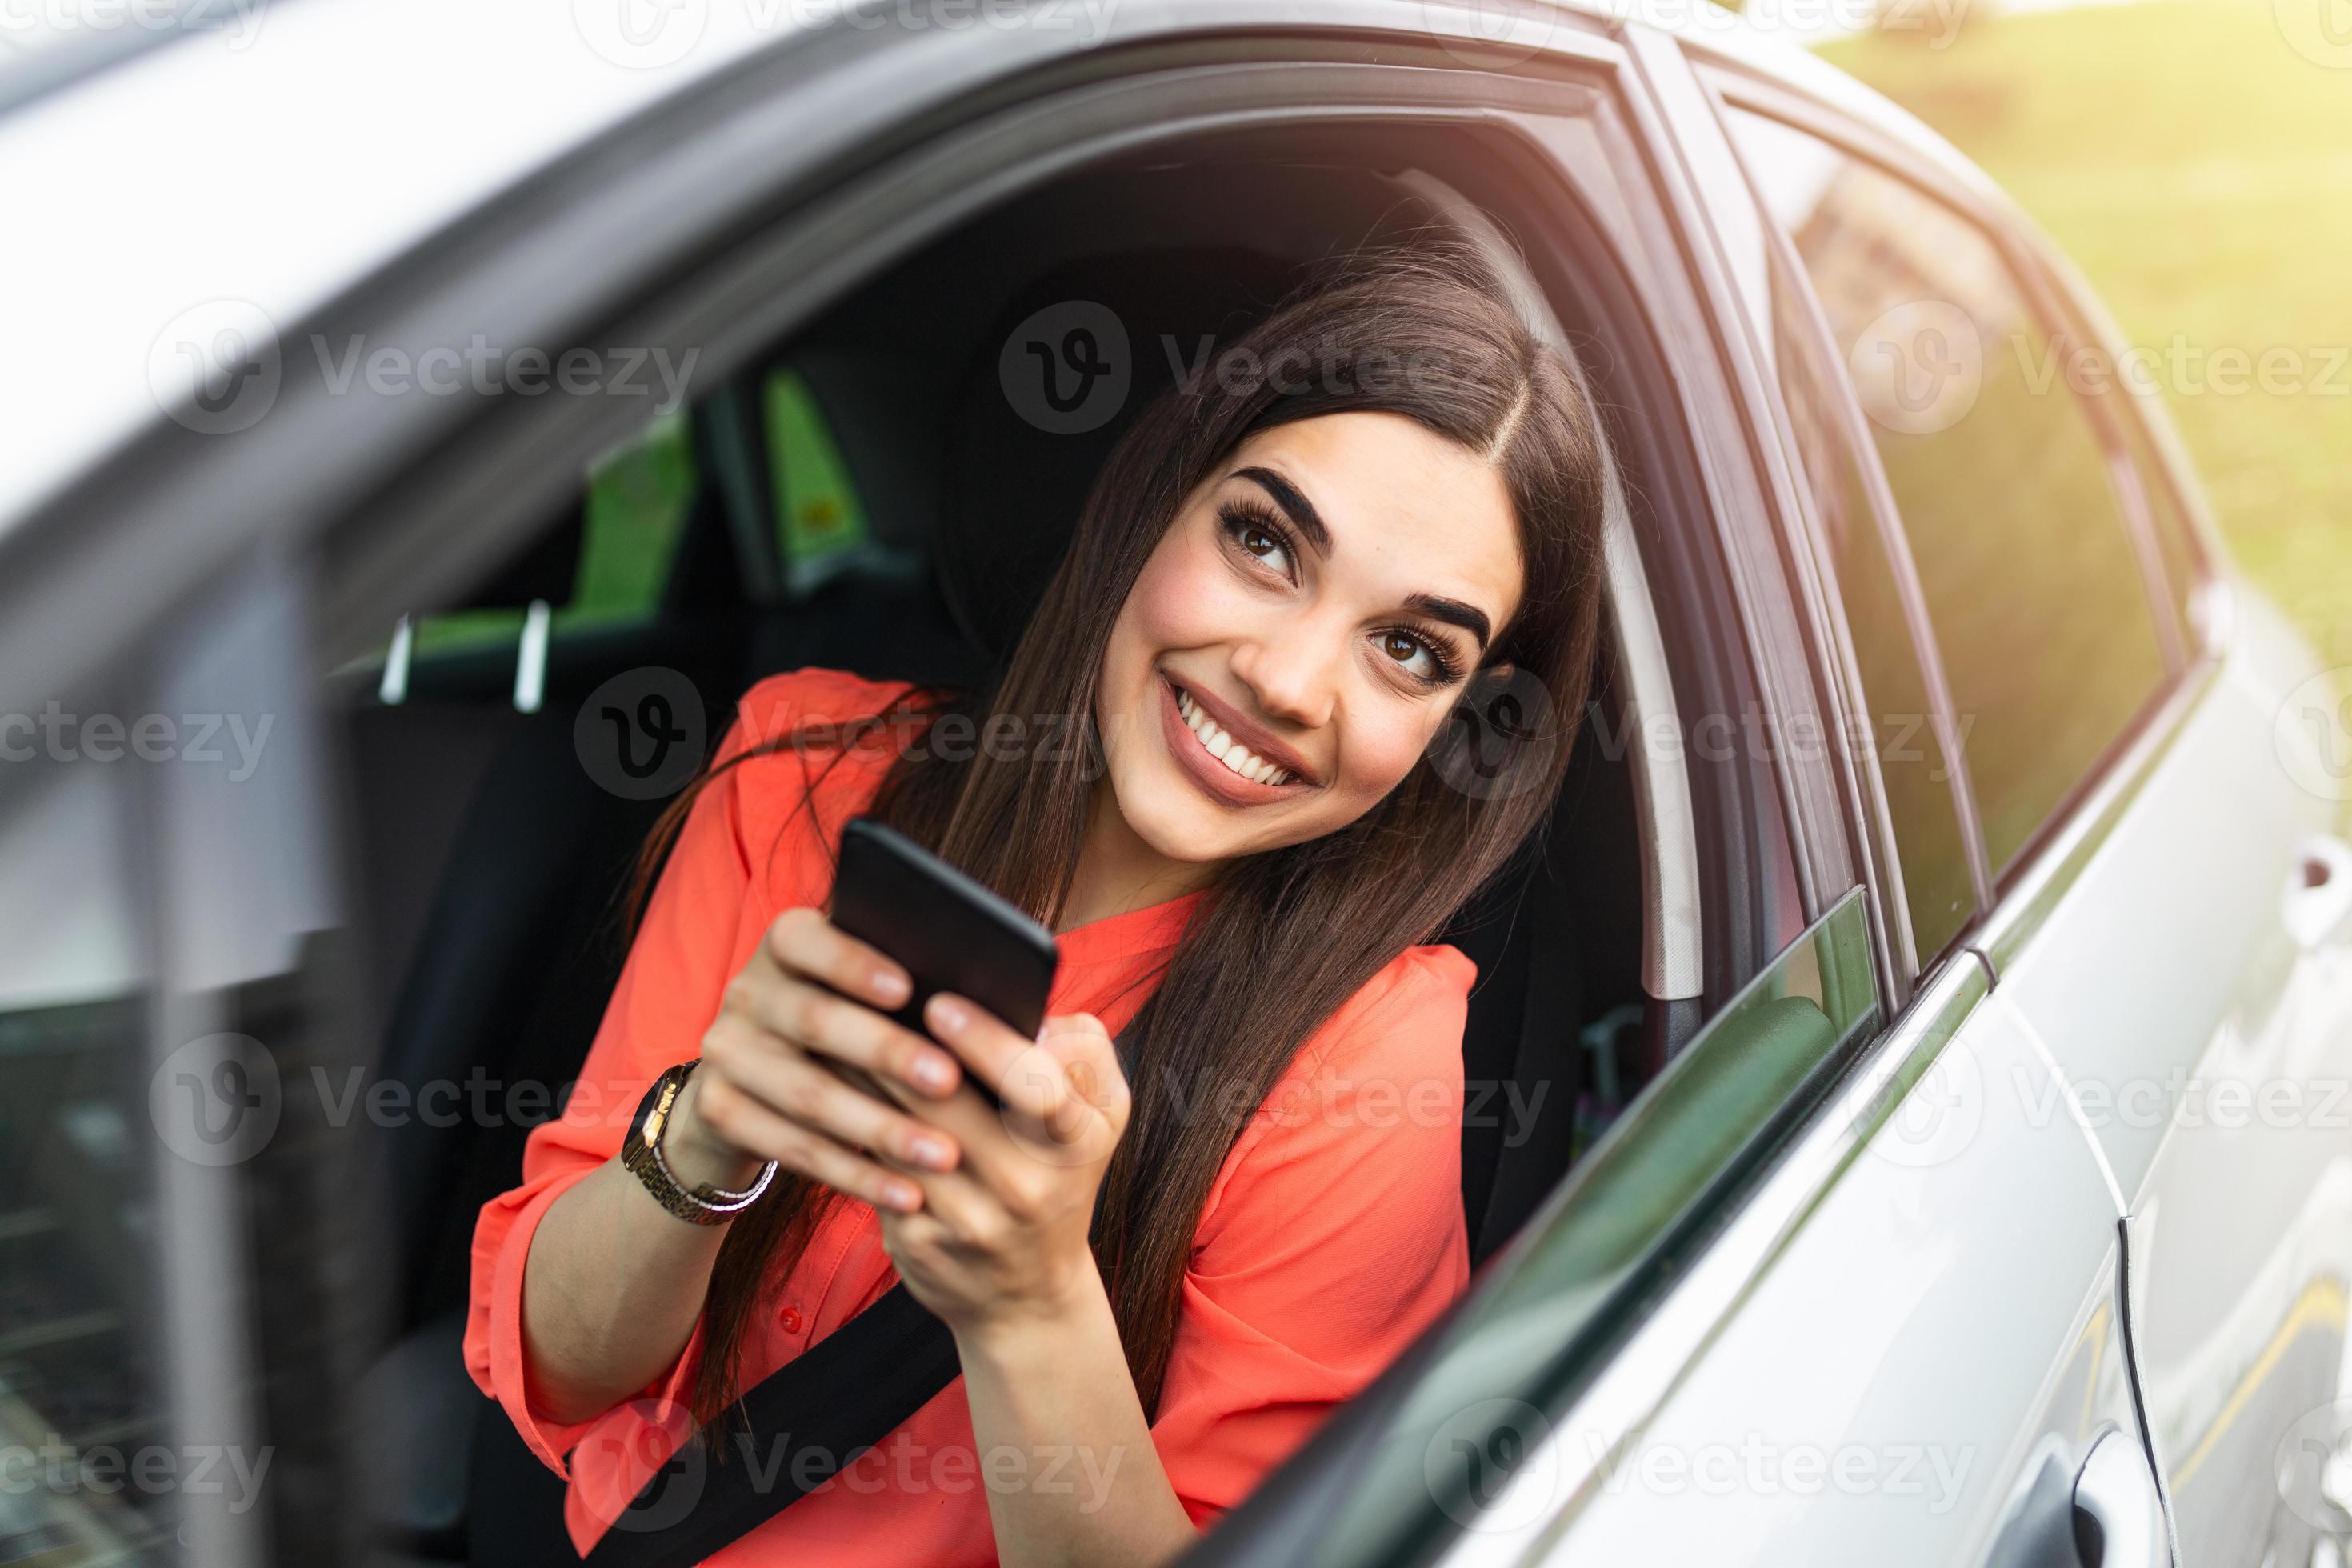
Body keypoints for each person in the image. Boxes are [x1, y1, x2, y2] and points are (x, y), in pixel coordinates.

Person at [466, 226, 1611, 1566]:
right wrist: (708, 1136)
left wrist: (1030, 1301)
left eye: (1409, 649)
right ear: (1152, 503)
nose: (1293, 683)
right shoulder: (807, 775)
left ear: (1458, 725)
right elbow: (556, 1362)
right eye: (1263, 542)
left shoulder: (1373, 1055)